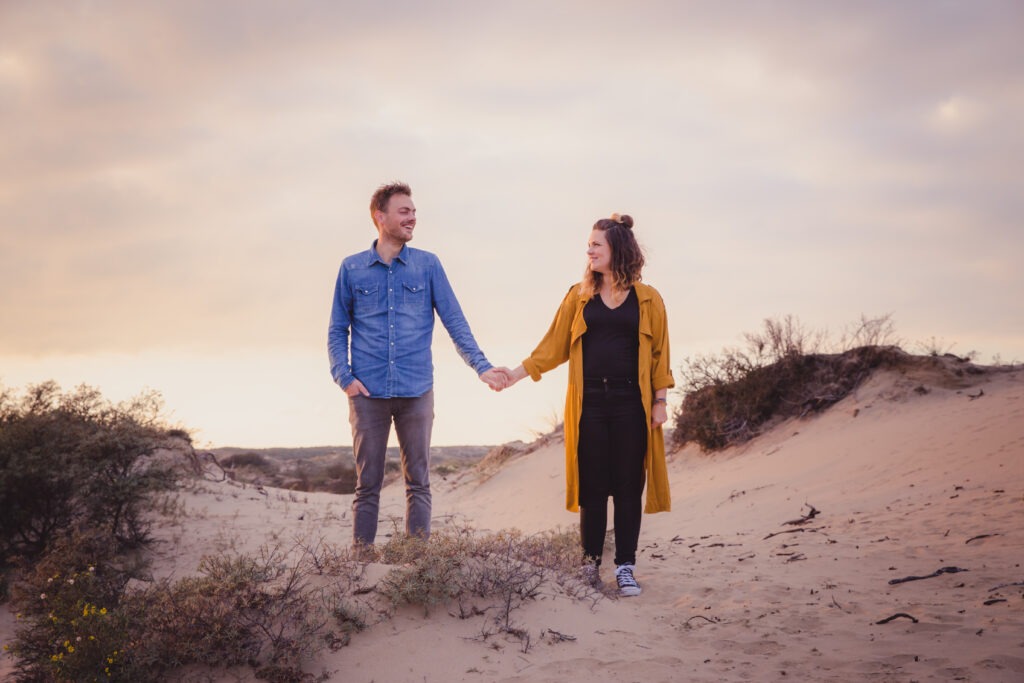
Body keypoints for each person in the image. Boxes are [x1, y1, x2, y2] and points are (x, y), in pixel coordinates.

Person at [328, 181, 507, 549]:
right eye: (404, 211)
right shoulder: (352, 268)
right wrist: (344, 377)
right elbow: (336, 330)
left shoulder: (428, 265)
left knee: (419, 482)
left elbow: (455, 322)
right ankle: (360, 566)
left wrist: (482, 367)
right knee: (368, 484)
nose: (412, 218)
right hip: (367, 392)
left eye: (414, 212)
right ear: (380, 217)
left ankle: (418, 565)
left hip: (416, 391)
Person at [503, 213, 673, 596]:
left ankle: (626, 567)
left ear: (618, 250)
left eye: (596, 244)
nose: (589, 250)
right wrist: (514, 374)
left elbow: (661, 354)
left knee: (630, 488)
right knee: (592, 488)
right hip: (589, 403)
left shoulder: (649, 300)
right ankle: (590, 567)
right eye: (589, 244)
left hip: (632, 402)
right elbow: (552, 347)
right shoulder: (578, 296)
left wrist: (660, 401)